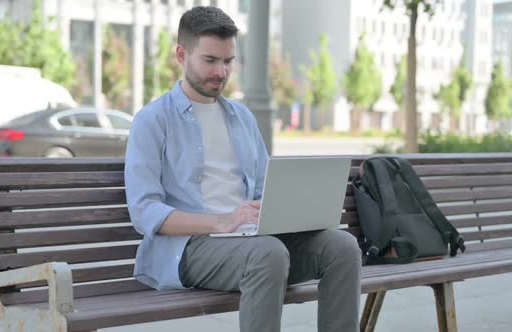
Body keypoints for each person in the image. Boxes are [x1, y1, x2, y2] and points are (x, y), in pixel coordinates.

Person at [125, 6, 361, 332]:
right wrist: (223, 221)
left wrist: (286, 210)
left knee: (341, 247)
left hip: (253, 240)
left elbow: (265, 189)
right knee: (267, 254)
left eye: (228, 61)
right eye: (210, 60)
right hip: (191, 248)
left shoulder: (242, 118)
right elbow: (144, 211)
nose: (221, 72)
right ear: (182, 54)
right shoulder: (152, 120)